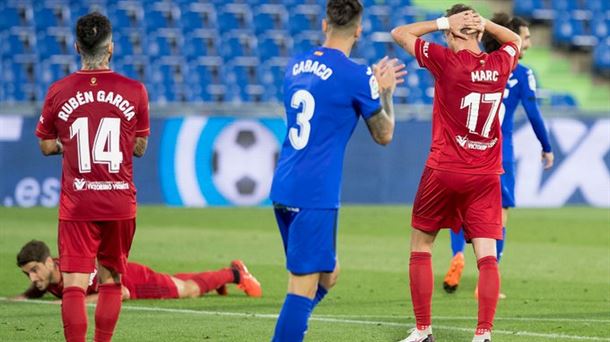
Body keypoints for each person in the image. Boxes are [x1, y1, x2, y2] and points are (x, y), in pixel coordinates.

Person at [269, 0, 405, 340]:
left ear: (324, 24)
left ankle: (294, 322)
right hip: (315, 193)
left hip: (284, 185)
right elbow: (384, 134)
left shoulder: (296, 65)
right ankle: (291, 328)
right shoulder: (357, 75)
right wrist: (385, 93)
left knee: (329, 274)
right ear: (358, 31)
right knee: (301, 286)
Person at [391, 4, 521, 342]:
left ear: (450, 34)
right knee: (487, 255)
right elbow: (513, 41)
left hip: (445, 169)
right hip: (486, 174)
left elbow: (399, 34)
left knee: (421, 245)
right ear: (478, 33)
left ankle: (423, 330)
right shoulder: (500, 63)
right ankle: (483, 335)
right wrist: (485, 24)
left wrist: (443, 21)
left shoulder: (446, 61)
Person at [35, 12, 150, 342]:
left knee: (73, 285)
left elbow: (45, 145)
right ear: (111, 48)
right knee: (111, 278)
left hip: (78, 203)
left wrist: (67, 144)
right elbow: (140, 147)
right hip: (119, 201)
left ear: (76, 46)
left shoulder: (59, 91)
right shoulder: (135, 91)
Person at [443, 13, 555, 298]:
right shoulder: (517, 70)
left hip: (465, 148)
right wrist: (546, 145)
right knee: (497, 217)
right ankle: (487, 280)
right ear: (512, 36)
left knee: (460, 209)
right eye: (525, 37)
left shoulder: (477, 65)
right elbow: (533, 113)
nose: (527, 43)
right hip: (499, 153)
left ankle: (458, 254)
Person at [13, 240, 262, 302]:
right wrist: (17, 299)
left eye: (35, 270)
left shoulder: (68, 269)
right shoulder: (50, 276)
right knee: (176, 281)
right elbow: (34, 292)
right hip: (117, 273)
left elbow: (121, 293)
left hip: (132, 281)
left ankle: (235, 273)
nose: (33, 278)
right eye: (28, 274)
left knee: (188, 290)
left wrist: (73, 304)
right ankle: (217, 279)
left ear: (49, 262)